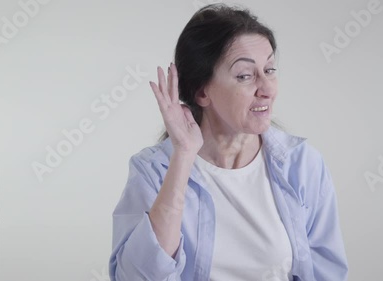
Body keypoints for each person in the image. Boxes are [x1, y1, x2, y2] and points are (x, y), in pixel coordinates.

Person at [109, 3, 348, 281]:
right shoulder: (153, 171)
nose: (267, 89)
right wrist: (183, 155)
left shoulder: (303, 164)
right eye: (245, 76)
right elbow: (136, 277)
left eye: (269, 70)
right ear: (202, 93)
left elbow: (326, 273)